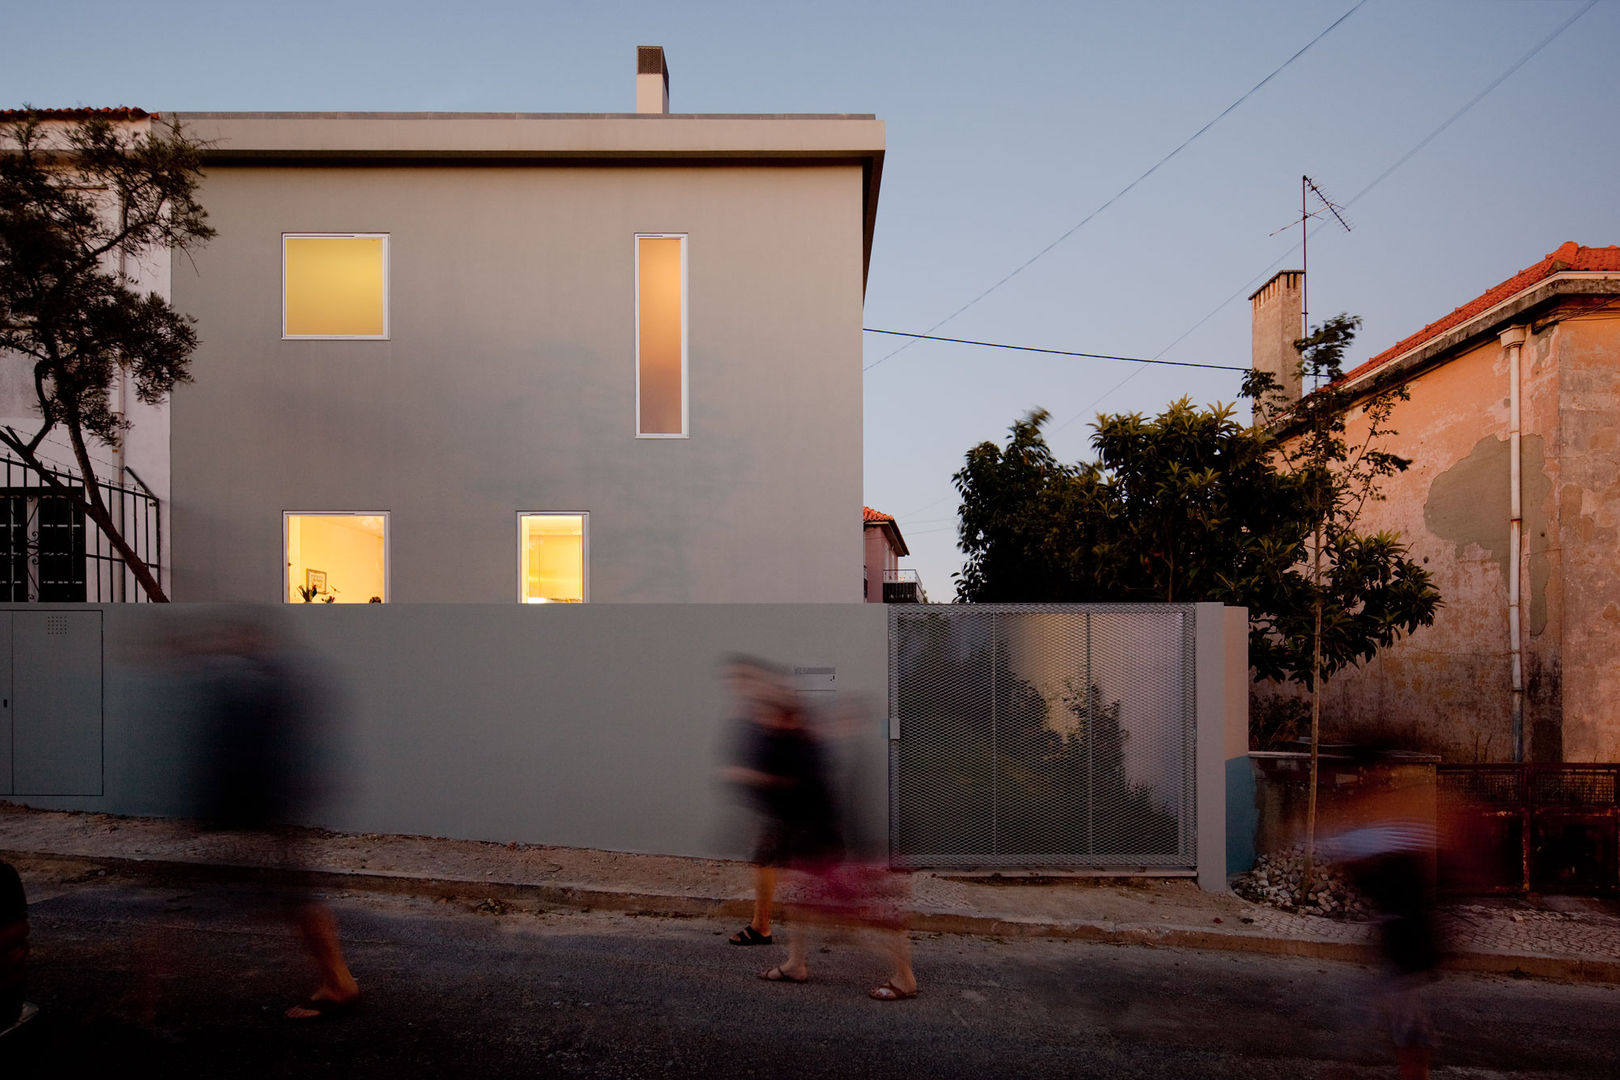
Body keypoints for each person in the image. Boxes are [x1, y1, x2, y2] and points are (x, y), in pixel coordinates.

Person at [187, 607, 361, 1022]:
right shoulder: (283, 678)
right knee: (296, 896)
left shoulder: (252, 686)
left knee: (296, 897)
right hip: (277, 807)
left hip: (266, 808)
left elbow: (250, 753)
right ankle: (337, 981)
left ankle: (338, 983)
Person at [722, 655, 916, 1001]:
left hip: (834, 846)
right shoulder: (807, 740)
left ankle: (905, 977)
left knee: (865, 918)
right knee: (799, 903)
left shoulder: (812, 745)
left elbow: (814, 793)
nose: (762, 716)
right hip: (817, 842)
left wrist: (752, 778)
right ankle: (796, 963)